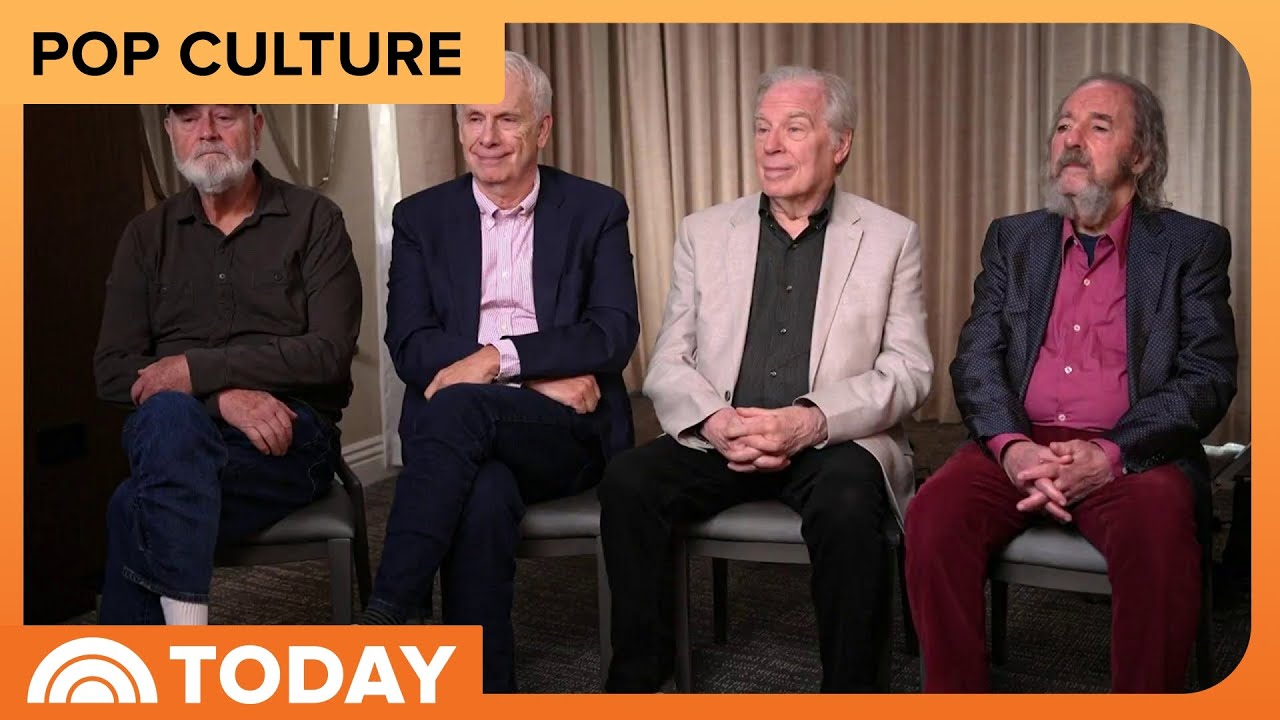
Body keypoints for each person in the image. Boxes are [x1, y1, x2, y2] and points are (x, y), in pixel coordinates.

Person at [599, 65, 933, 693]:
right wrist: (714, 421)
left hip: (832, 440)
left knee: (848, 504)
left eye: (794, 129)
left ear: (840, 144)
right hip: (724, 433)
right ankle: (642, 684)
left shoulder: (890, 237)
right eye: (761, 129)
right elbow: (669, 357)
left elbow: (909, 370)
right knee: (629, 481)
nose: (771, 146)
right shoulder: (704, 232)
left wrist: (809, 420)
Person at [905, 72, 1238, 693]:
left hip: (1133, 453)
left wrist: (1109, 455)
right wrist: (1012, 447)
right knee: (933, 516)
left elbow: (1207, 377)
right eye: (1064, 126)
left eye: (1098, 127)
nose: (1072, 140)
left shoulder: (1191, 245)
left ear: (1142, 156)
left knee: (1159, 535)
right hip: (1018, 441)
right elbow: (977, 359)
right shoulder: (1014, 238)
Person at [361, 51, 640, 694]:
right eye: (473, 118)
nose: (487, 136)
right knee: (482, 494)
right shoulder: (420, 218)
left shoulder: (596, 209)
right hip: (480, 431)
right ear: (459, 126)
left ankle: (389, 611)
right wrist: (523, 373)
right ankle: (484, 689)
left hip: (563, 434)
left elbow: (611, 333)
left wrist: (493, 358)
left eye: (507, 119)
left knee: (458, 405)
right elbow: (411, 345)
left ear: (542, 129)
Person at [94, 103, 363, 625]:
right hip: (173, 435)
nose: (207, 133)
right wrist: (219, 398)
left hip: (286, 440)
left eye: (225, 116)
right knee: (170, 415)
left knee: (135, 504)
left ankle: (156, 662)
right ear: (170, 131)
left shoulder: (314, 219)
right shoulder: (146, 236)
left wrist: (194, 372)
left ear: (256, 126)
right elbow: (111, 370)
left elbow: (329, 354)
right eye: (189, 119)